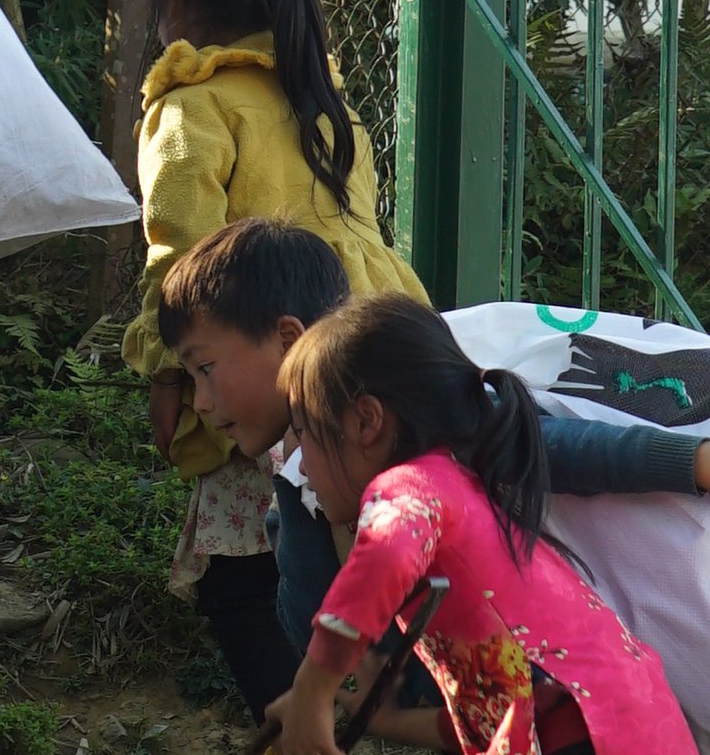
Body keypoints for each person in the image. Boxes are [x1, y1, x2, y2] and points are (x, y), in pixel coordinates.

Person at [269, 295, 710, 755]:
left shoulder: (412, 487)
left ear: (365, 421)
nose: (297, 462)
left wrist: (313, 688)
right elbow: (496, 706)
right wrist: (373, 718)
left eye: (305, 434)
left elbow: (380, 559)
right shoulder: (467, 489)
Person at [120, 0, 428, 726]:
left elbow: (178, 257)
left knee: (236, 581)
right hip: (369, 351)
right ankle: (373, 709)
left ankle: (303, 740)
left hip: (270, 367)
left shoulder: (191, 108)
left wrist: (167, 373)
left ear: (175, 2)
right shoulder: (329, 105)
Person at [159, 216, 710, 690]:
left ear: (286, 339)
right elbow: (311, 625)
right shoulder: (307, 465)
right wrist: (290, 491)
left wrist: (693, 462)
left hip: (573, 698)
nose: (201, 402)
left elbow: (548, 444)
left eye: (204, 368)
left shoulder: (400, 396)